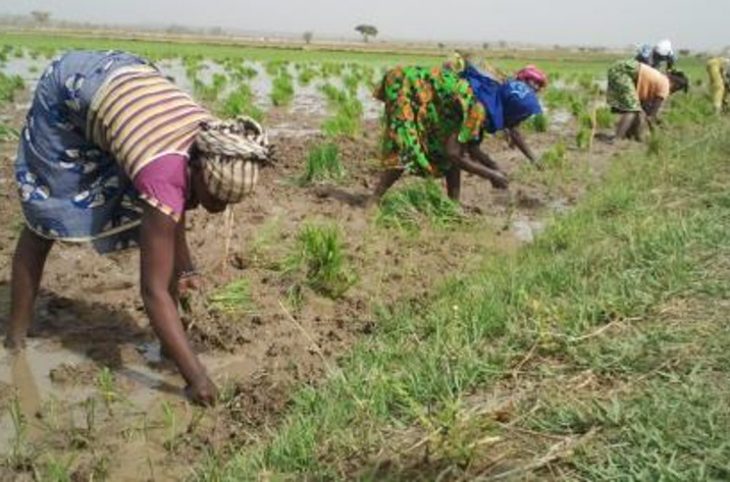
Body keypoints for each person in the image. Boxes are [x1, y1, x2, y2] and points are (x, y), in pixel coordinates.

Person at [4, 50, 271, 406]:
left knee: (162, 206)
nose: (218, 208)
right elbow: (153, 291)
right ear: (196, 170)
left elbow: (175, 206)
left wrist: (186, 266)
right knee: (45, 219)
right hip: (70, 89)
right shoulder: (166, 172)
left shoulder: (211, 142)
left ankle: (167, 346)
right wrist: (196, 378)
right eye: (216, 198)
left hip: (123, 79)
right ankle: (16, 339)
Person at [369, 63, 544, 204]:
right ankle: (373, 202)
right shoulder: (478, 109)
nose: (520, 123)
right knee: (406, 146)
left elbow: (469, 146)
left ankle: (454, 205)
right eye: (521, 118)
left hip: (429, 97)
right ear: (511, 112)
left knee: (453, 151)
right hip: (407, 86)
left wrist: (492, 167)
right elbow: (454, 154)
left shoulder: (491, 100)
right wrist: (491, 174)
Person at [606, 59, 688, 141]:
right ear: (675, 85)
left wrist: (656, 121)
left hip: (620, 68)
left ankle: (629, 135)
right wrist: (655, 135)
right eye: (675, 90)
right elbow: (651, 116)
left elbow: (645, 109)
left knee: (635, 108)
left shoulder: (660, 80)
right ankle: (617, 138)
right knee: (632, 110)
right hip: (623, 72)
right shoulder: (665, 86)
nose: (672, 92)